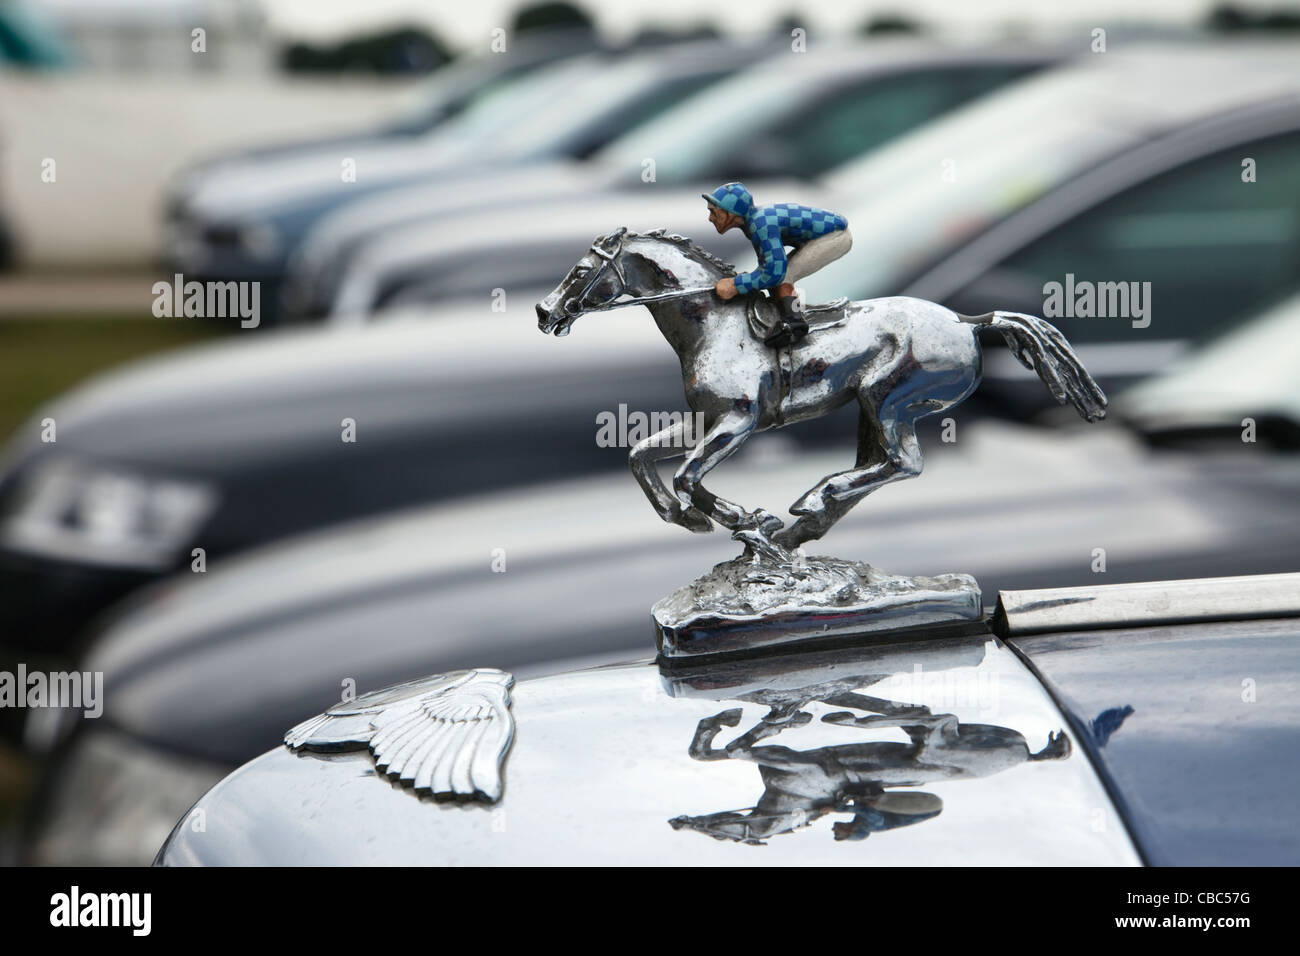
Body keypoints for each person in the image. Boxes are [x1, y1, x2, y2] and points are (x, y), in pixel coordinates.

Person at [703, 182, 852, 347]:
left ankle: (795, 325)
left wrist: (736, 285)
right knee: (777, 275)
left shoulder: (760, 224)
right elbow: (766, 265)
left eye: (713, 212)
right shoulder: (753, 222)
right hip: (819, 235)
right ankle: (784, 314)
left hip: (835, 236)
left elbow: (773, 273)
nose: (710, 218)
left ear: (730, 212)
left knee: (783, 275)